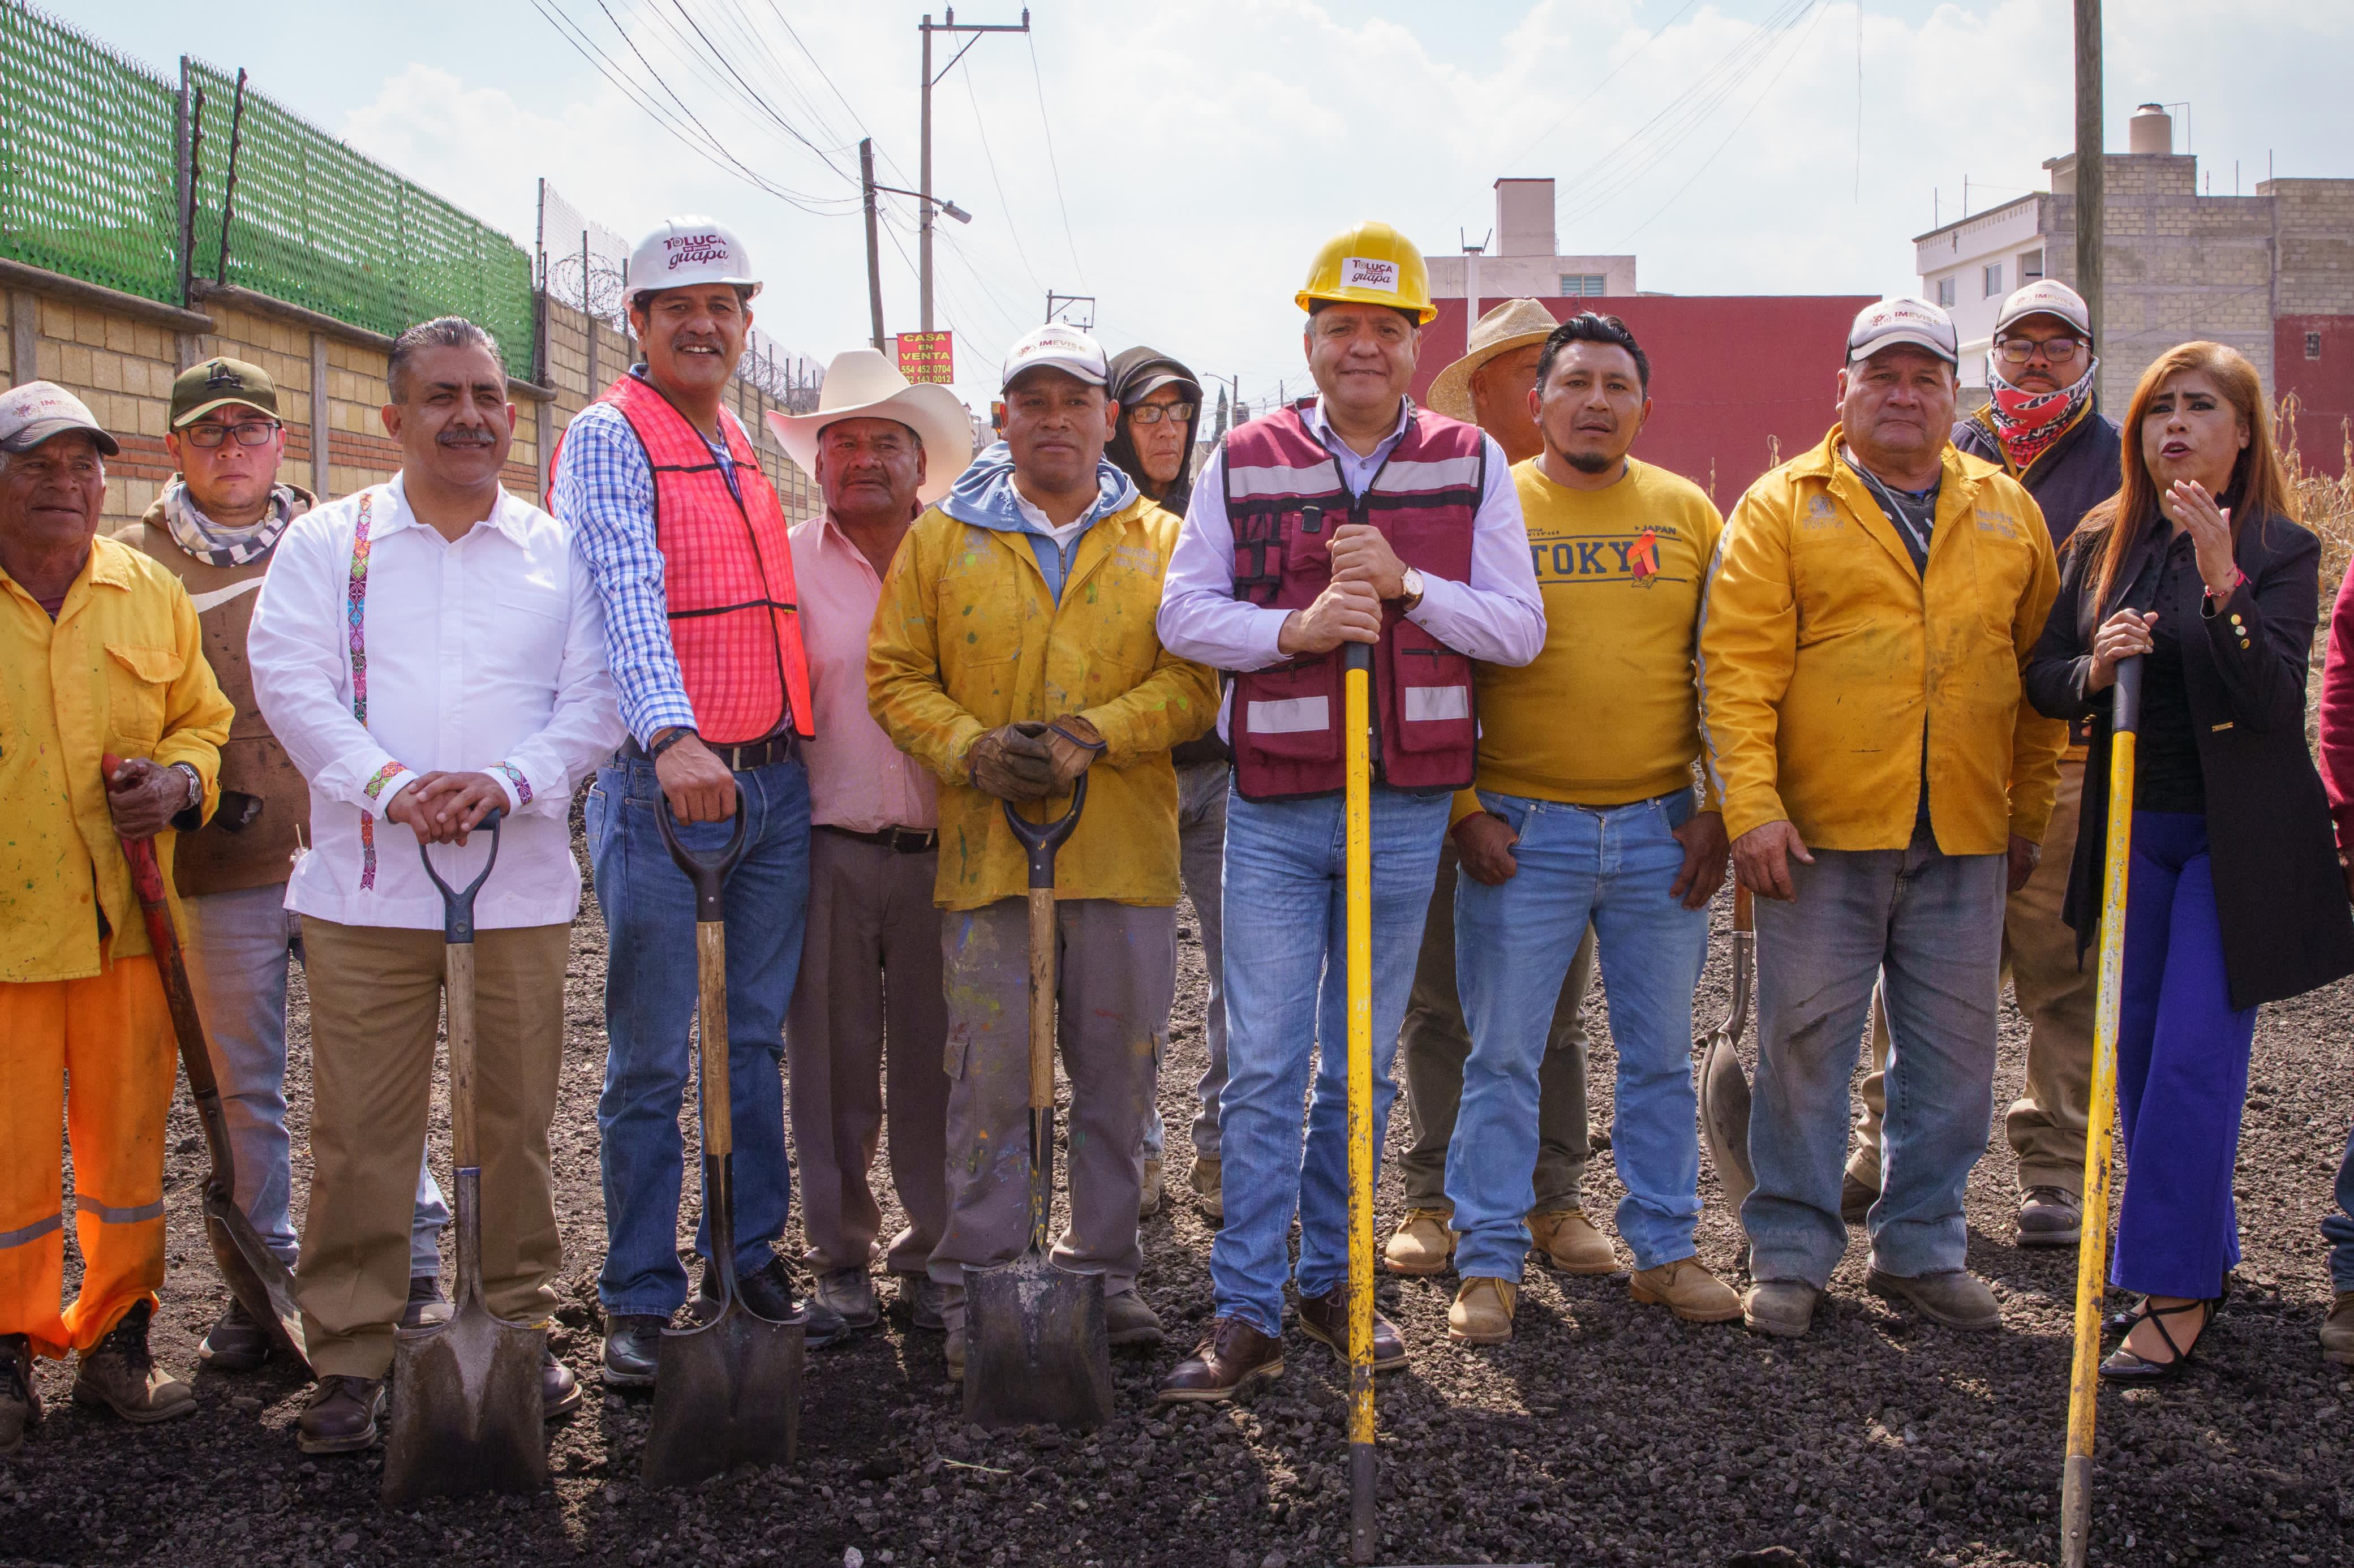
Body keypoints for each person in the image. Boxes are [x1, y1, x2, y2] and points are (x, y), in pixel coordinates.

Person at [1155, 222, 1544, 1402]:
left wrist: (1412, 587)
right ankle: (1245, 1305)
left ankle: (1333, 1281)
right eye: (1341, 327)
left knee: (1358, 1066)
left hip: (1404, 809)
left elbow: (1518, 632)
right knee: (1267, 1064)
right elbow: (1182, 617)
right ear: (1310, 339)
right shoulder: (1244, 456)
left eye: (1385, 327)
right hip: (1272, 811)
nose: (1362, 346)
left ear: (1418, 341)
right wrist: (1294, 631)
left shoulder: (1469, 462)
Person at [249, 317, 623, 1453]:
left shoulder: (558, 552)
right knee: (360, 1131)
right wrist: (392, 785)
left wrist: (510, 783)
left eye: (489, 395)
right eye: (444, 396)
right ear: (393, 418)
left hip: (513, 893)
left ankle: (515, 1323)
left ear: (513, 415)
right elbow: (292, 683)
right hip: (367, 892)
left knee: (511, 1123)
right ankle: (353, 1354)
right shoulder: (329, 543)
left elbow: (596, 701)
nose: (471, 415)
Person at [1700, 297, 2065, 1339]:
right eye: (1884, 376)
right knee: (1804, 1048)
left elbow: (2037, 679)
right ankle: (1792, 1254)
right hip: (1819, 836)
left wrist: (2026, 811)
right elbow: (1736, 676)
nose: (1905, 396)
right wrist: (1753, 813)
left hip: (1963, 834)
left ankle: (1920, 1247)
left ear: (1957, 395)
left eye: (1926, 378)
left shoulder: (2006, 510)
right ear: (1844, 388)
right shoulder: (1781, 507)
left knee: (1951, 1061)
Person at [869, 323, 1219, 1381]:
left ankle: (1103, 1274)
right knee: (985, 1080)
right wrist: (971, 751)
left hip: (1120, 856)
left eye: (1076, 402)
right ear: (1002, 418)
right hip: (986, 860)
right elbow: (895, 675)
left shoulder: (1161, 541)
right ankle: (980, 1281)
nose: (1055, 420)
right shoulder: (943, 540)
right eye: (1034, 402)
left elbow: (1197, 680)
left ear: (1107, 421)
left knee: (1117, 1072)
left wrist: (1093, 733)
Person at [113, 356, 452, 1373]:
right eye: (209, 434)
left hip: (355, 847)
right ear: (174, 448)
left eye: (249, 431)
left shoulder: (344, 542)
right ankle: (263, 1278)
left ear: (278, 443)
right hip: (222, 859)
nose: (232, 450)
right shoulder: (136, 564)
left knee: (380, 1061)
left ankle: (418, 1249)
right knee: (243, 1082)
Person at [2025, 340, 2354, 1380]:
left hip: (2237, 844)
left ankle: (2170, 1286)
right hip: (2131, 832)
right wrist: (2095, 664)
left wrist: (2223, 585)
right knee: (2135, 1061)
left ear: (2243, 433)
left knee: (2194, 1066)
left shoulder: (2282, 549)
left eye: (2200, 406)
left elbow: (2269, 702)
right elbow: (2041, 676)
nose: (2175, 424)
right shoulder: (2100, 541)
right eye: (2159, 407)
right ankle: (2198, 1246)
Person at [553, 217, 839, 1385]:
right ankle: (637, 1291)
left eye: (723, 306)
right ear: (637, 322)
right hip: (669, 786)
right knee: (650, 1059)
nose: (704, 324)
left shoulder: (731, 441)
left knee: (753, 1039)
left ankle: (747, 1256)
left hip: (771, 783)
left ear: (745, 322)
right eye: (679, 308)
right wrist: (670, 735)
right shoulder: (609, 432)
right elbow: (623, 579)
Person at [1444, 313, 1733, 1342]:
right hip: (1523, 833)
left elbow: (1724, 672)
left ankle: (1664, 1249)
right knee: (1504, 1057)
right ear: (1540, 402)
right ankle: (1486, 1260)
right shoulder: (1491, 510)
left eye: (1618, 384)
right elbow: (1443, 674)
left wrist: (1715, 808)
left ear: (1644, 405)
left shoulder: (1689, 511)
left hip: (1661, 831)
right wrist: (1467, 809)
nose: (1597, 400)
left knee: (1658, 1057)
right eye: (1576, 383)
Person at [1845, 280, 2123, 1248]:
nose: (2038, 361)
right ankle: (1885, 1143)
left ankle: (2052, 1168)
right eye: (2020, 344)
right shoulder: (1950, 454)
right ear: (1991, 359)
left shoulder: (2120, 463)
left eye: (2058, 345)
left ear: (2088, 357)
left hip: (2069, 748)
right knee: (1914, 965)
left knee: (2059, 966)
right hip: (1943, 752)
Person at [0, 382, 233, 1453]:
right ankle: (7, 1352)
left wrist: (182, 786)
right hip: (6, 935)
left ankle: (119, 1342)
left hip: (126, 930)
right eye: (37, 465)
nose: (66, 485)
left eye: (83, 466)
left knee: (132, 1148)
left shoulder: (148, 592)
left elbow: (202, 723)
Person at [1391, 296, 1608, 1279]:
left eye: (1547, 370)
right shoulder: (1442, 507)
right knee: (1440, 1004)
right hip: (1447, 789)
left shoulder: (1627, 507)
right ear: (1481, 394)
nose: (1535, 392)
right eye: (1516, 374)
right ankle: (1434, 1193)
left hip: (1561, 803)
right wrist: (1464, 805)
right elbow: (1425, 664)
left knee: (1549, 1015)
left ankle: (1551, 1198)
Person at [765, 349, 973, 1333]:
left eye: (883, 443)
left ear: (919, 463)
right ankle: (838, 1258)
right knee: (832, 1066)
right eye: (841, 443)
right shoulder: (784, 566)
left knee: (942, 1064)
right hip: (829, 848)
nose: (862, 461)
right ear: (817, 464)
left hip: (949, 852)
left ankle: (935, 1251)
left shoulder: (967, 557)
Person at [1103, 346, 1225, 1220]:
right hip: (1130, 780)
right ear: (1115, 422)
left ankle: (1220, 1152)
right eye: (1149, 413)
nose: (1168, 430)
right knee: (1134, 980)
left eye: (1180, 414)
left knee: (1240, 979)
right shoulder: (1096, 522)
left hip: (1221, 779)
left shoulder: (1216, 515)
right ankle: (1136, 1151)